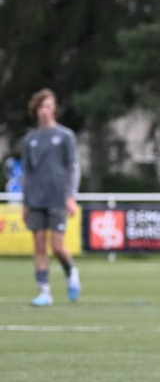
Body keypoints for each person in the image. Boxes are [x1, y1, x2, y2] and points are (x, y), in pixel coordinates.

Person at [20, 89, 81, 307]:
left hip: (58, 197)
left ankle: (71, 272)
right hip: (36, 199)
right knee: (38, 244)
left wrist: (70, 196)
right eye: (40, 107)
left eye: (48, 106)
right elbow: (27, 173)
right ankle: (44, 291)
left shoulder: (65, 136)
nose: (44, 111)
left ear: (54, 110)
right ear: (35, 110)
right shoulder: (30, 139)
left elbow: (73, 167)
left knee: (57, 246)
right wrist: (25, 202)